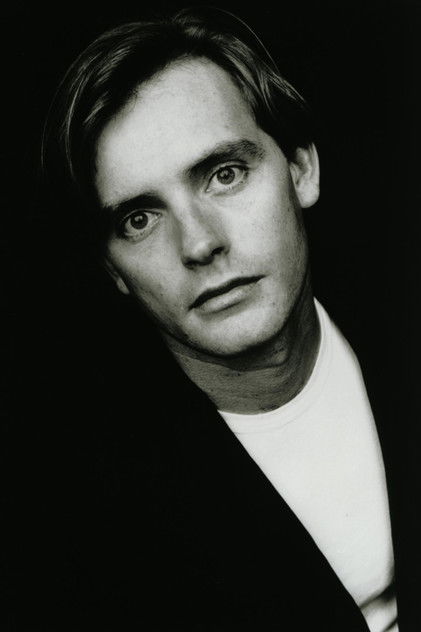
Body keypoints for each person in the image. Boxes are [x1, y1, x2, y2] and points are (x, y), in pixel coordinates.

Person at [6, 7, 419, 631]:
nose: (199, 243)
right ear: (113, 269)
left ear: (301, 169)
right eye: (140, 219)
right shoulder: (76, 518)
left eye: (224, 175)